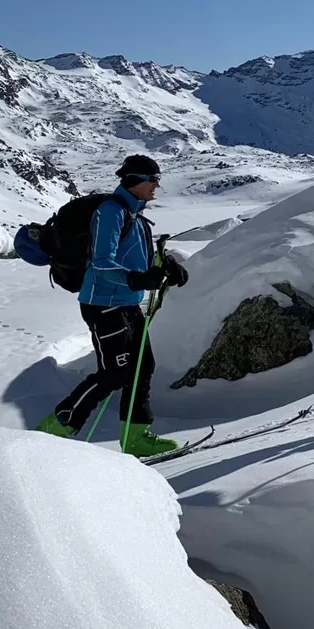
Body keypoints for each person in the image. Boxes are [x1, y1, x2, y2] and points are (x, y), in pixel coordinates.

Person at [35, 155, 188, 456]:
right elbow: (103, 262)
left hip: (127, 303)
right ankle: (53, 430)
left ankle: (135, 437)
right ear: (135, 180)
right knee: (113, 375)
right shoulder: (111, 212)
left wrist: (166, 266)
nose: (157, 185)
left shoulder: (135, 215)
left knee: (142, 367)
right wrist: (136, 279)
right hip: (103, 305)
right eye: (153, 179)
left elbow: (136, 258)